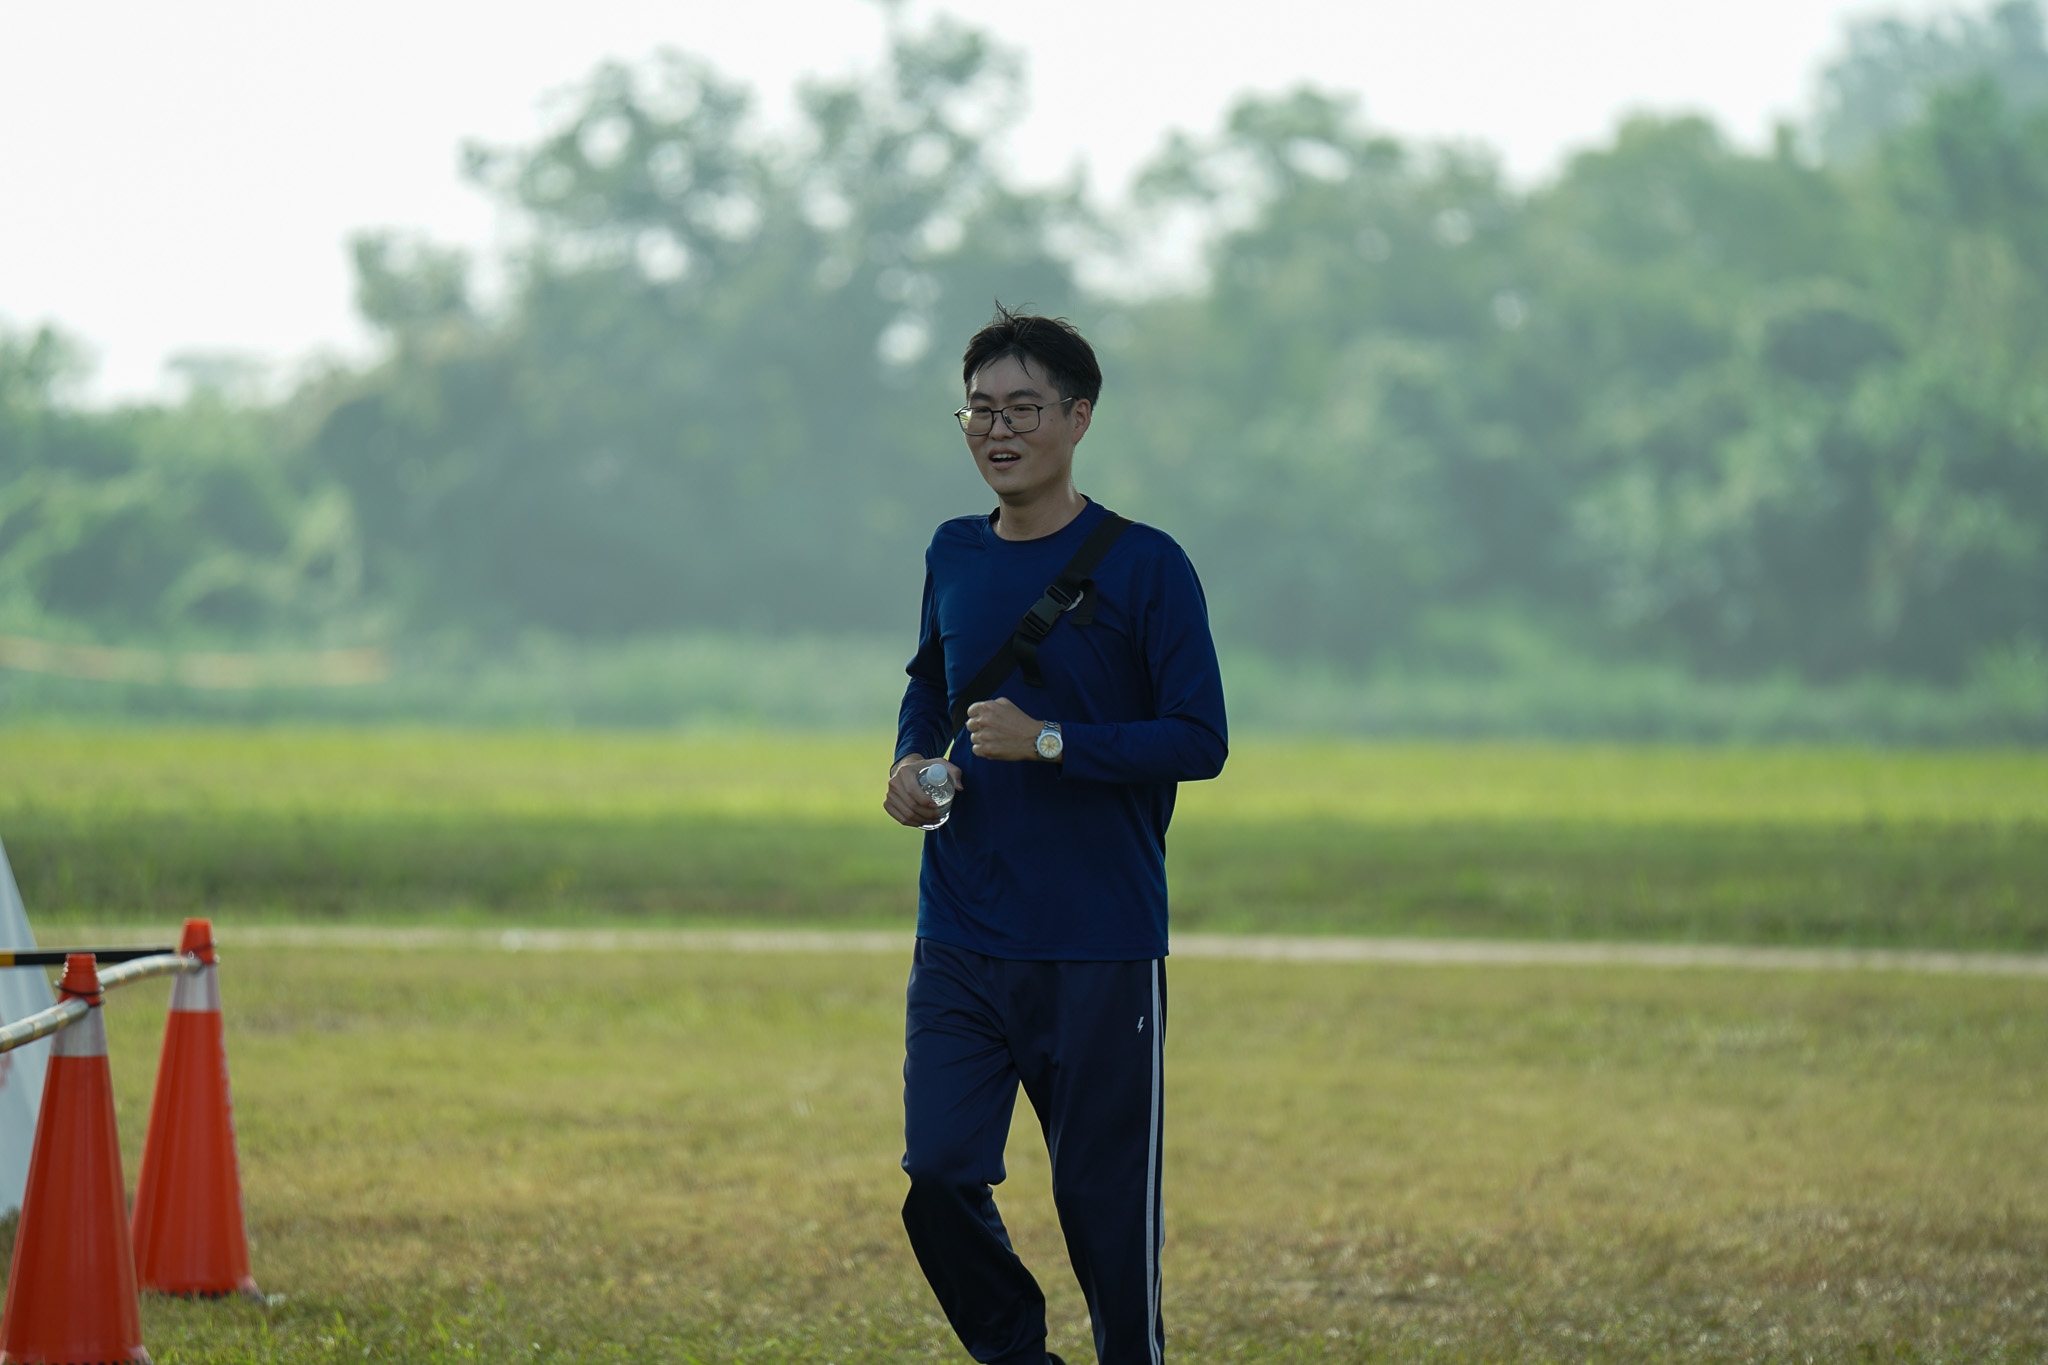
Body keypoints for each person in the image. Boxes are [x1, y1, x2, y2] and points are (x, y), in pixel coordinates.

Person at [884, 305, 1228, 1365]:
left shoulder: (1147, 565)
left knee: (1103, 1213)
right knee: (940, 1173)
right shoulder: (952, 551)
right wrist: (910, 764)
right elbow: (931, 682)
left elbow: (1199, 738)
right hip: (961, 933)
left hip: (1099, 943)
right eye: (979, 410)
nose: (997, 431)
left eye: (1023, 408)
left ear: (1078, 418)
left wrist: (1048, 743)